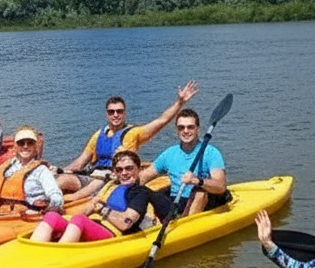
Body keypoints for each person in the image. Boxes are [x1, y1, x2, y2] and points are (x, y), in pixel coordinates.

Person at [55, 80, 199, 193]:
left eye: (119, 111)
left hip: (113, 180)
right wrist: (59, 170)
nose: (115, 115)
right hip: (93, 176)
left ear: (125, 113)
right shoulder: (98, 135)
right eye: (111, 112)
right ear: (106, 114)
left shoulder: (134, 133)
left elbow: (161, 121)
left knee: (70, 183)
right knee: (59, 180)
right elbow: (80, 162)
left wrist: (179, 102)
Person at [30, 149, 173, 243]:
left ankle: (57, 258)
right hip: (94, 226)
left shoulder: (140, 192)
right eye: (119, 170)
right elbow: (87, 210)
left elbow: (126, 223)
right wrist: (67, 217)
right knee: (52, 217)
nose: (124, 173)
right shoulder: (111, 185)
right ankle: (33, 255)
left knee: (79, 220)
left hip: (113, 235)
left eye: (129, 168)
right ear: (115, 172)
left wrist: (100, 208)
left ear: (139, 169)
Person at [138, 106, 227, 216]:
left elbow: (220, 186)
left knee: (200, 193)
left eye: (190, 127)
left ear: (198, 129)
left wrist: (197, 181)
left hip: (201, 201)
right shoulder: (169, 153)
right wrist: (126, 181)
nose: (185, 131)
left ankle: (188, 223)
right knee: (143, 192)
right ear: (177, 130)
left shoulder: (211, 153)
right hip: (176, 200)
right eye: (181, 127)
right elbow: (144, 177)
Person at [0, 127, 63, 216]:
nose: (25, 146)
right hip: (1, 212)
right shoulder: (6, 166)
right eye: (21, 143)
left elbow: (55, 193)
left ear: (35, 146)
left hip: (26, 213)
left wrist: (54, 205)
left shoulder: (41, 170)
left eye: (30, 143)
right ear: (15, 146)